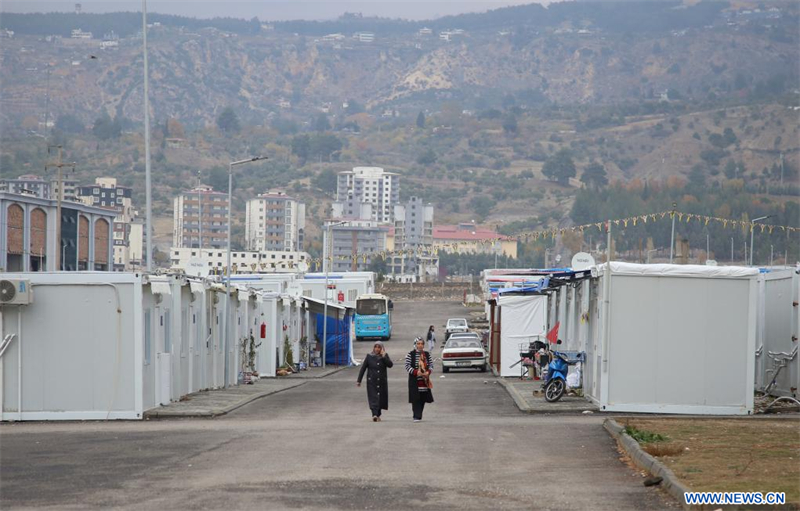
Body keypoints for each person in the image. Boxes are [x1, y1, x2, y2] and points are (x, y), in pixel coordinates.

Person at [356, 341, 393, 422]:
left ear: (382, 348)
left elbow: (390, 365)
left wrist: (384, 357)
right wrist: (359, 380)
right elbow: (363, 368)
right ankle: (374, 414)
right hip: (371, 381)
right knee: (373, 398)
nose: (377, 349)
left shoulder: (385, 356)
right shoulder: (369, 356)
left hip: (381, 381)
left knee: (380, 398)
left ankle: (378, 414)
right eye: (375, 347)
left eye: (379, 347)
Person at [405, 337, 434, 422]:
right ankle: (416, 416)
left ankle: (418, 414)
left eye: (422, 344)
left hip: (424, 381)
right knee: (415, 398)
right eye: (418, 344)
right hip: (414, 381)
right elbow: (407, 366)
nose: (420, 345)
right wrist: (415, 372)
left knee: (422, 398)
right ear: (415, 345)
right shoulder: (410, 354)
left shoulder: (427, 355)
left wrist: (428, 372)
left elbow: (431, 365)